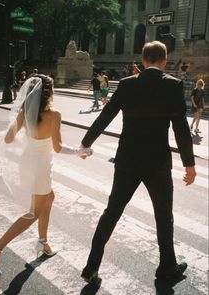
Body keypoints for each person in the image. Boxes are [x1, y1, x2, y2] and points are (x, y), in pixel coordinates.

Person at [80, 41, 196, 286]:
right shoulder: (173, 86)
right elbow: (181, 128)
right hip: (158, 162)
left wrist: (86, 142)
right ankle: (166, 268)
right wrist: (189, 164)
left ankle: (91, 266)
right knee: (164, 216)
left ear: (143, 61)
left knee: (112, 212)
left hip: (127, 160)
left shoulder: (126, 84)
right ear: (164, 61)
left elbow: (106, 115)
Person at [0, 74, 92, 275]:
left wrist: (26, 135)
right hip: (41, 168)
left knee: (49, 198)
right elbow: (57, 148)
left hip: (27, 164)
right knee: (34, 213)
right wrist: (81, 151)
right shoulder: (54, 115)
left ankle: (43, 241)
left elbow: (7, 139)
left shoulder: (25, 113)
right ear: (49, 93)